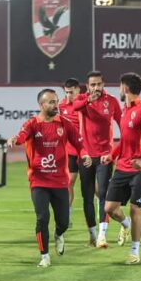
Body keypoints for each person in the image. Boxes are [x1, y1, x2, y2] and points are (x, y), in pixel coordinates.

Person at [7, 89, 82, 267]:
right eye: (51, 102)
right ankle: (45, 256)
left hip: (60, 181)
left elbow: (79, 142)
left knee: (63, 222)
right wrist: (14, 139)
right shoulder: (32, 124)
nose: (56, 105)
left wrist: (84, 154)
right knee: (42, 217)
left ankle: (59, 234)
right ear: (41, 105)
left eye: (56, 101)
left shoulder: (64, 123)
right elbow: (21, 136)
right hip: (38, 180)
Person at [101, 73, 141, 265]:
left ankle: (134, 252)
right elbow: (125, 140)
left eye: (120, 86)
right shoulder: (125, 110)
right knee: (109, 208)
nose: (119, 90)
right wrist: (112, 155)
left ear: (125, 88)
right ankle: (125, 224)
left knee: (136, 209)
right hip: (123, 166)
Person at [72, 70, 122, 247]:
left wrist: (116, 151)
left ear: (103, 84)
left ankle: (102, 235)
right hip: (85, 155)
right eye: (92, 85)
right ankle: (92, 235)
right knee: (87, 197)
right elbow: (75, 106)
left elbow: (123, 125)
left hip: (104, 157)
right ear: (87, 86)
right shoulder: (82, 99)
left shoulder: (112, 101)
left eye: (99, 84)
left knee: (103, 195)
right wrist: (88, 100)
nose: (96, 88)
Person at [59, 78, 82, 228]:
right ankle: (67, 215)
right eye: (66, 92)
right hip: (71, 151)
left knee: (96, 188)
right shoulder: (61, 106)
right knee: (69, 182)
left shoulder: (85, 104)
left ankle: (106, 211)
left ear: (78, 90)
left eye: (71, 92)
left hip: (86, 150)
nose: (69, 95)